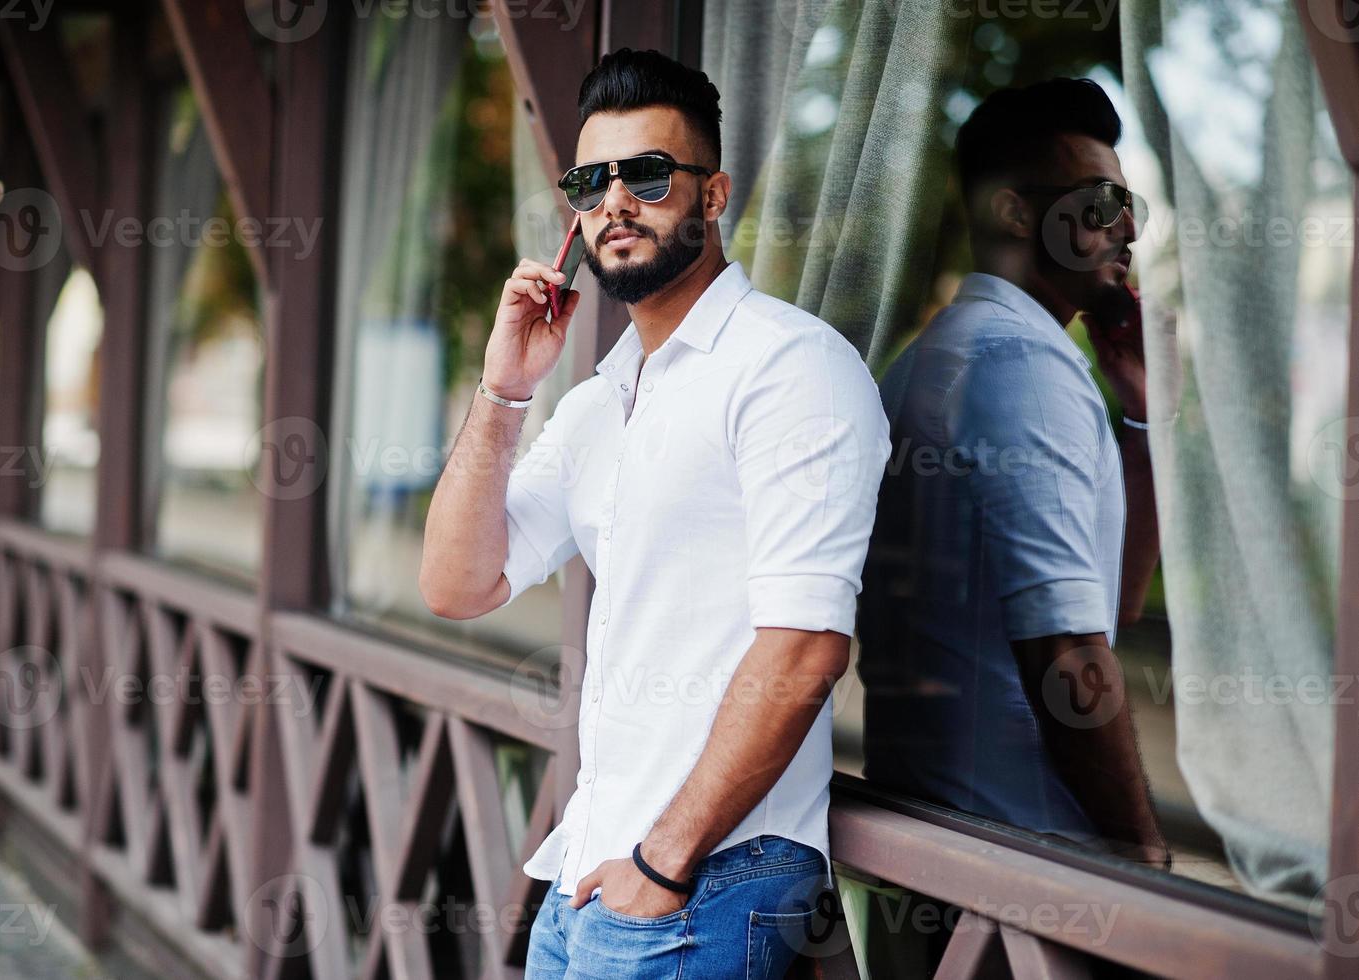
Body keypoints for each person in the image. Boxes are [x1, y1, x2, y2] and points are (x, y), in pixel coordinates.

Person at [419, 48, 890, 979]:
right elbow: (456, 583)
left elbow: (803, 648)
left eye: (647, 173)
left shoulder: (790, 367)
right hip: (589, 865)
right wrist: (504, 389)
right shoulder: (600, 400)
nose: (615, 202)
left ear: (712, 197)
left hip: (709, 873)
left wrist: (664, 862)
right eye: (591, 182)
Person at [859, 78, 1170, 870]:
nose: (1128, 227)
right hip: (1024, 865)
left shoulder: (934, 358)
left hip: (943, 843)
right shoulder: (1022, 368)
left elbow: (1113, 603)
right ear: (1014, 213)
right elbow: (1068, 654)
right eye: (1100, 203)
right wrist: (1145, 861)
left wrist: (1137, 412)